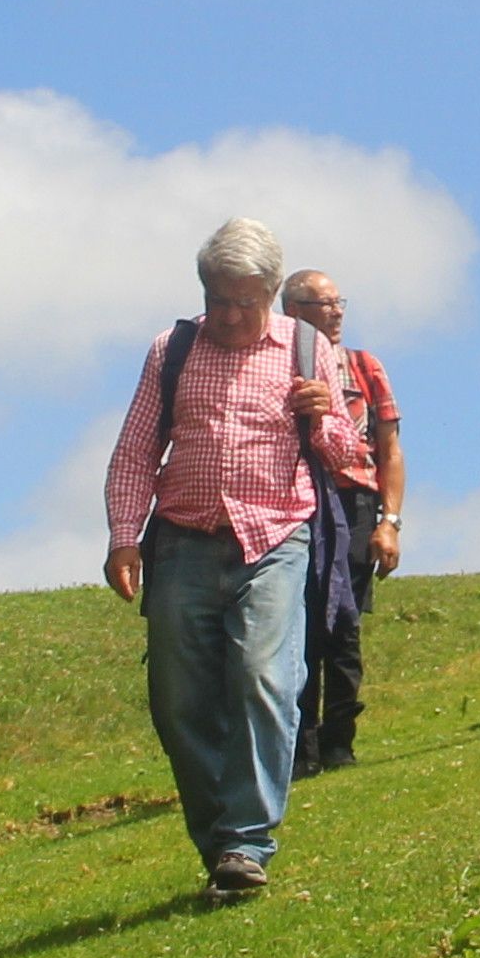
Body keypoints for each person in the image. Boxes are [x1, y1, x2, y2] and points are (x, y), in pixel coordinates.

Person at [104, 218, 365, 898]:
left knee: (262, 675)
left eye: (243, 302)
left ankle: (247, 841)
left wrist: (323, 415)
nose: (227, 315)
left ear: (271, 294)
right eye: (217, 299)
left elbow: (346, 453)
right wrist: (124, 536)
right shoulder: (172, 349)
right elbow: (135, 450)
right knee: (177, 699)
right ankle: (218, 840)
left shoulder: (307, 348)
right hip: (182, 539)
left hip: (275, 537)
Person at [282, 269, 402, 773]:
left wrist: (389, 521)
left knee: (344, 625)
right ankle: (300, 749)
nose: (335, 313)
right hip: (298, 501)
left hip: (354, 504)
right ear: (293, 311)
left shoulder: (365, 367)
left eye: (338, 303)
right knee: (299, 625)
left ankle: (339, 743)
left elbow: (390, 450)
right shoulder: (277, 363)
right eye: (323, 304)